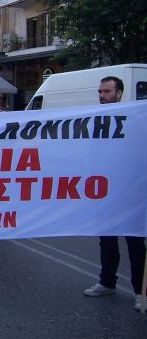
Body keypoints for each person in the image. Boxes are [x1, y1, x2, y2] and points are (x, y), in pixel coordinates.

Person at [83, 76, 146, 311]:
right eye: (100, 91)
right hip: (105, 191)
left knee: (135, 243)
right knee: (107, 240)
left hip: (130, 192)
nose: (102, 95)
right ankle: (107, 282)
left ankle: (141, 291)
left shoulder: (134, 118)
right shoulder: (96, 119)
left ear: (119, 93)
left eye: (107, 91)